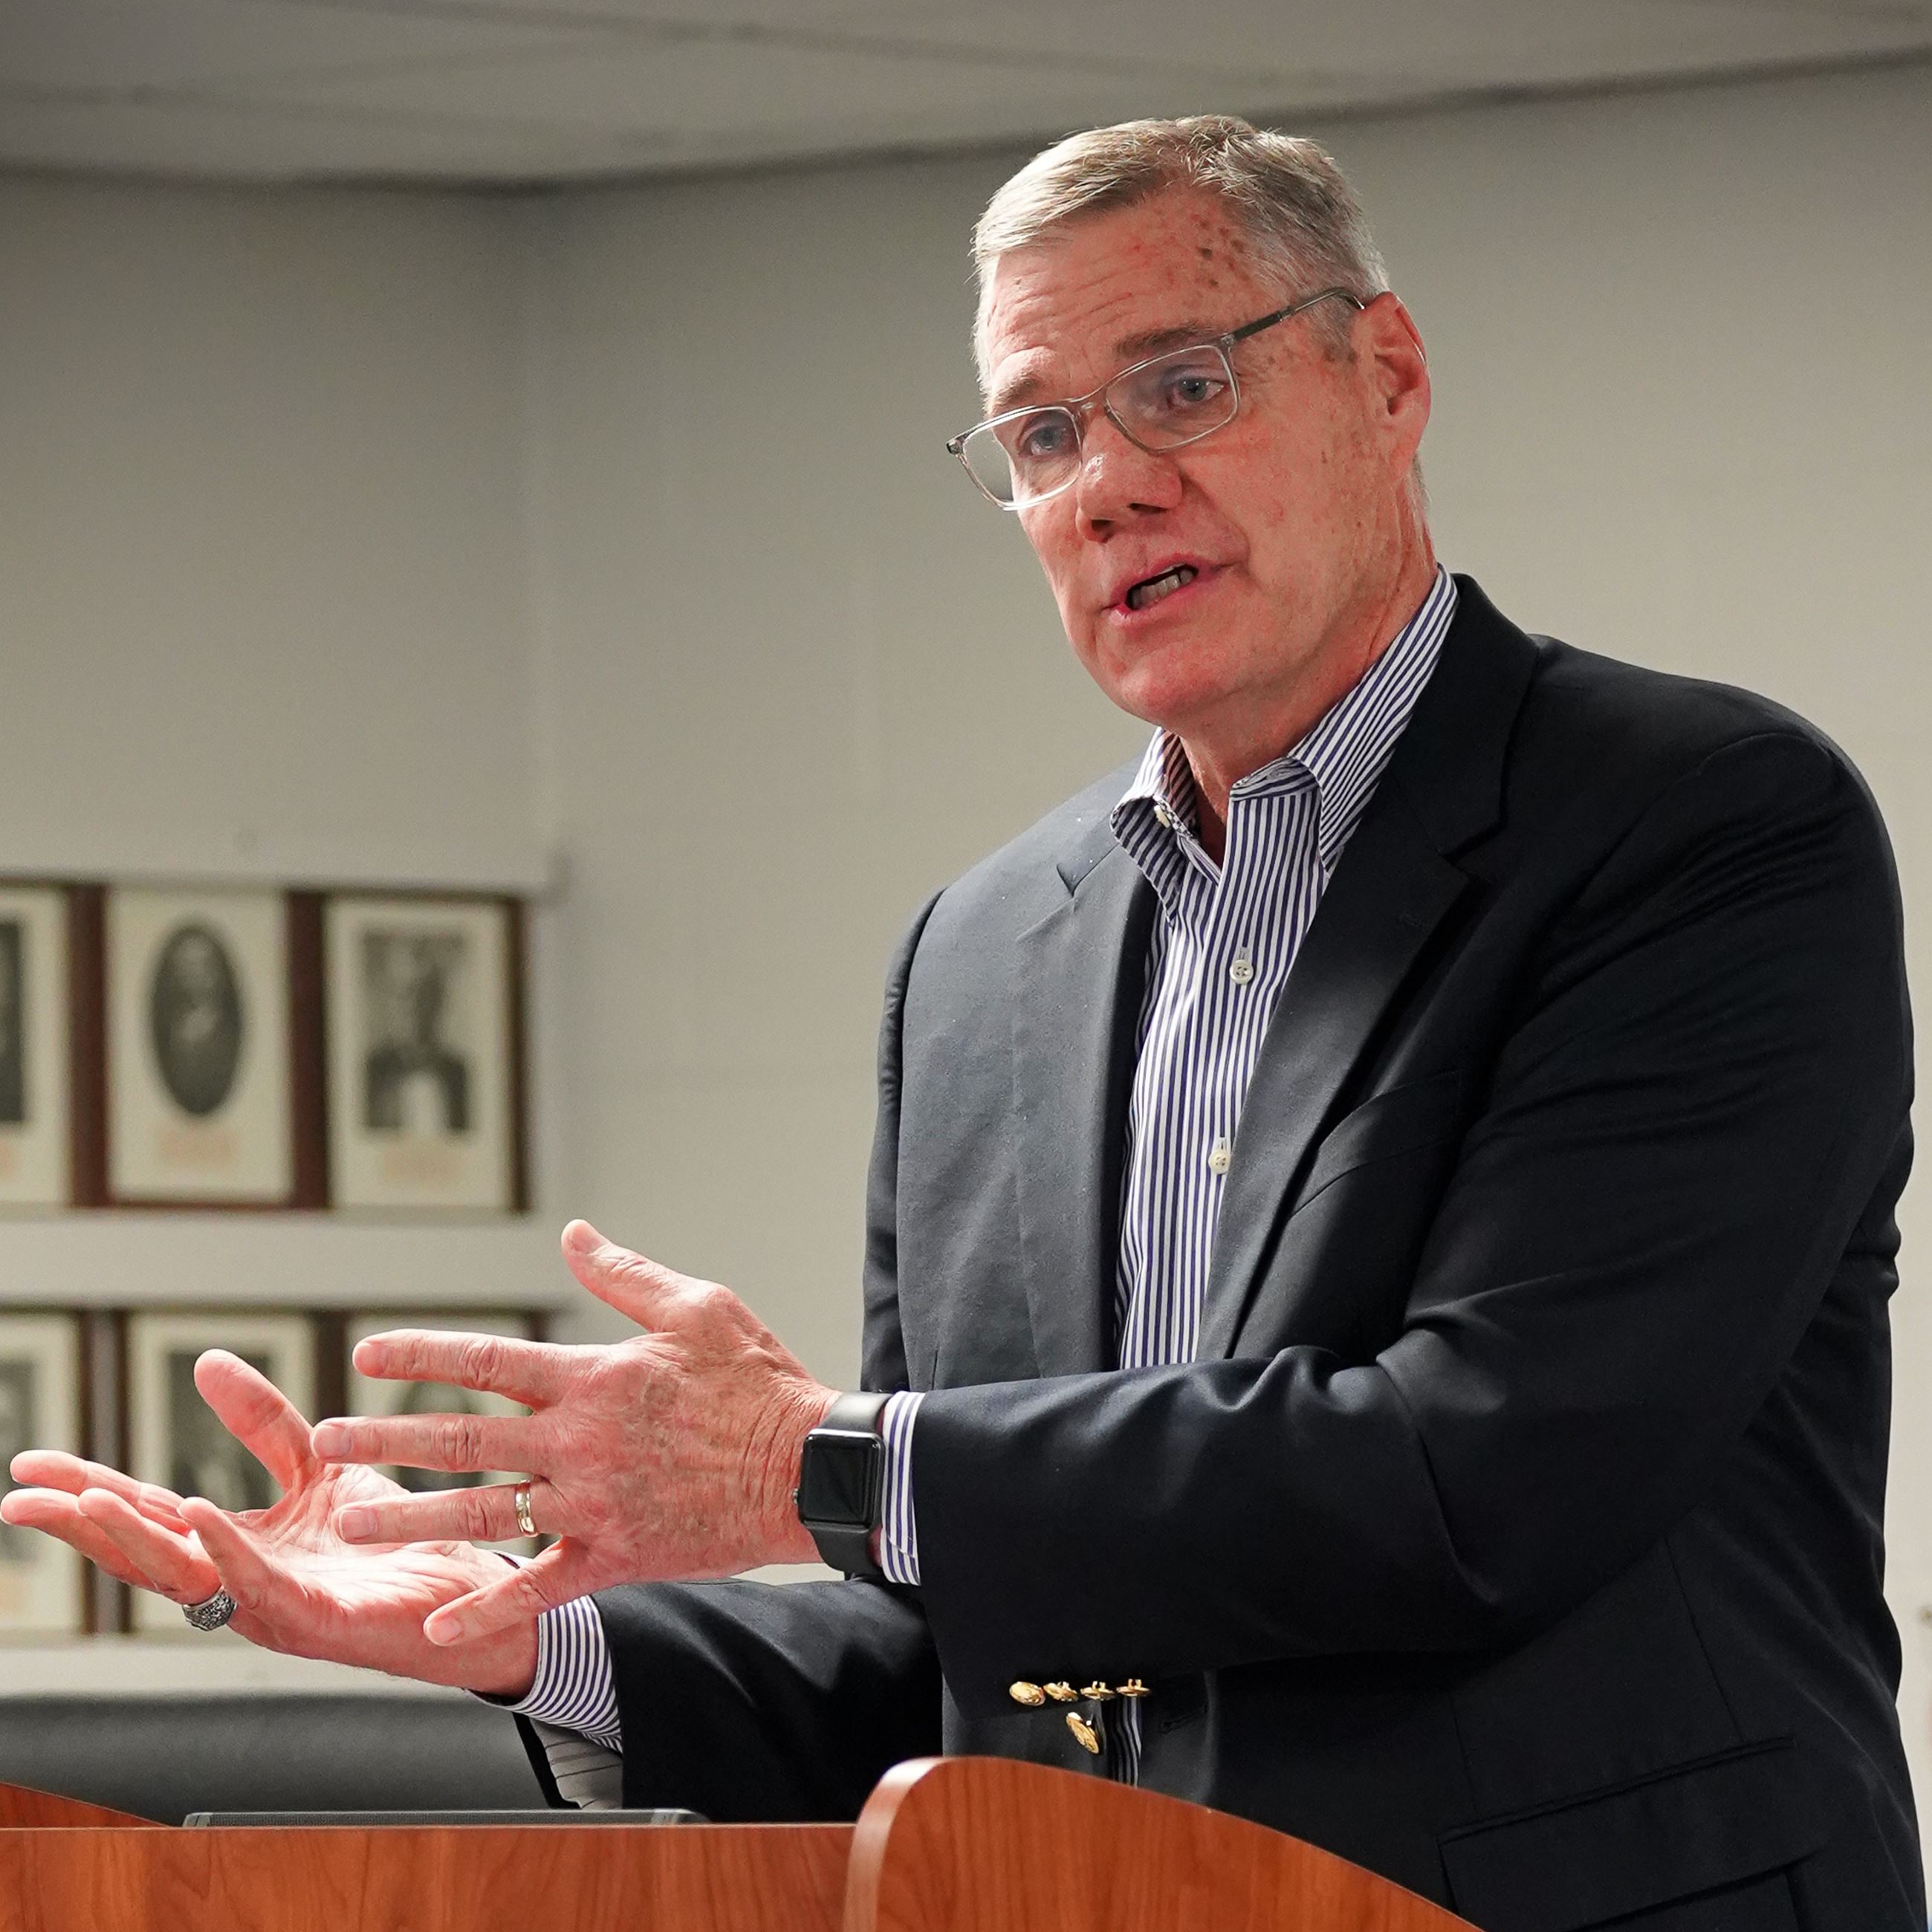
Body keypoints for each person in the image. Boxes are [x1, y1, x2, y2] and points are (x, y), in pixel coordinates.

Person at [4, 117, 1919, 1927]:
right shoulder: (985, 955)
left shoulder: (1697, 826)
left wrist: (809, 1465)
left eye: (1184, 385)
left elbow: (1479, 1471)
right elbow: (976, 1622)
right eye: (1040, 434)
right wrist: (507, 1627)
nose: (1110, 485)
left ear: (1388, 376)